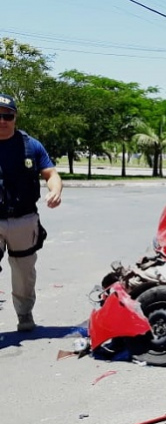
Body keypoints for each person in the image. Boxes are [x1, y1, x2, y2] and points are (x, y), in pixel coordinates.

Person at [0, 93, 63, 332]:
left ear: (15, 117)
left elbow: (51, 174)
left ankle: (24, 314)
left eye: (8, 115)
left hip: (24, 220)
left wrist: (55, 191)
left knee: (24, 273)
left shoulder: (31, 146)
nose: (2, 120)